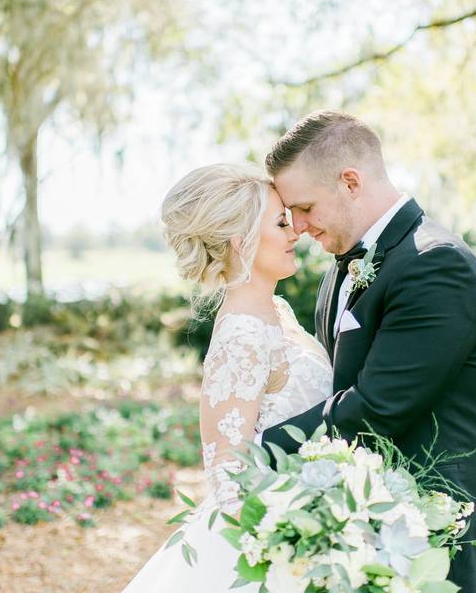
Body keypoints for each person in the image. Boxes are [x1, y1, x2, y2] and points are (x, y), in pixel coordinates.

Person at [258, 110, 476, 593]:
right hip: (359, 527)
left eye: (305, 207)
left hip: (436, 532)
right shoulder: (342, 266)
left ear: (350, 181)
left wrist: (257, 449)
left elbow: (376, 407)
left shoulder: (436, 265)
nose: (299, 226)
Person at [122, 164, 334, 592]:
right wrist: (293, 546)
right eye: (279, 221)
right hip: (273, 545)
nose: (294, 230)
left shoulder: (276, 313)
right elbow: (228, 477)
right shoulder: (242, 334)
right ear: (242, 243)